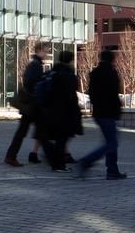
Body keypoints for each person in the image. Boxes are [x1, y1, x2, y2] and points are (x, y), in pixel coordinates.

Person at [75, 49, 127, 180]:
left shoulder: (94, 73)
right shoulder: (112, 73)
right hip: (109, 112)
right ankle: (86, 162)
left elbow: (91, 93)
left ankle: (112, 170)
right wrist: (117, 110)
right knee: (112, 143)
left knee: (110, 141)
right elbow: (113, 95)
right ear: (112, 59)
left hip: (98, 112)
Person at [36, 50, 83, 171]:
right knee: (61, 139)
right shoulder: (69, 75)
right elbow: (71, 96)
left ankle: (56, 161)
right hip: (64, 112)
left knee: (54, 138)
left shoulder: (52, 72)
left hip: (49, 110)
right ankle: (58, 164)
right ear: (70, 60)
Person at [4, 41, 49, 166]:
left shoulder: (35, 64)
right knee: (39, 132)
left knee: (28, 131)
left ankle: (11, 156)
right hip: (32, 104)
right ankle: (53, 160)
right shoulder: (35, 65)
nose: (47, 53)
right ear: (39, 50)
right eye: (45, 50)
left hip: (31, 104)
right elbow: (30, 83)